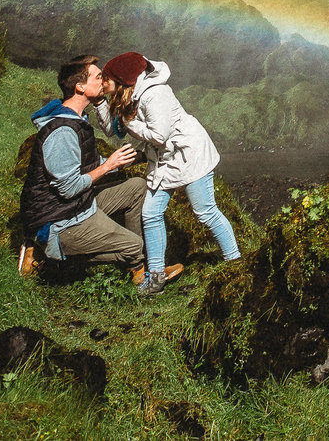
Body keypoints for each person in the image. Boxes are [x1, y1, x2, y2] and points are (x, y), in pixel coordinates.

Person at [17, 55, 161, 287]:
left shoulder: (77, 119)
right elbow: (68, 188)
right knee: (134, 244)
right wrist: (108, 166)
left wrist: (135, 158)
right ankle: (47, 256)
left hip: (76, 205)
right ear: (80, 87)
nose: (104, 80)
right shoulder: (62, 131)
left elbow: (84, 166)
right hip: (57, 220)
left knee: (137, 188)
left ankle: (138, 261)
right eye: (98, 76)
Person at [101, 50, 241, 283]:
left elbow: (159, 134)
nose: (103, 82)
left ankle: (236, 262)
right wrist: (99, 104)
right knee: (150, 213)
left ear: (123, 79)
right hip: (166, 161)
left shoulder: (155, 94)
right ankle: (156, 276)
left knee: (205, 212)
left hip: (190, 156)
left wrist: (130, 123)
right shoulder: (130, 97)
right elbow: (113, 130)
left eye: (107, 77)